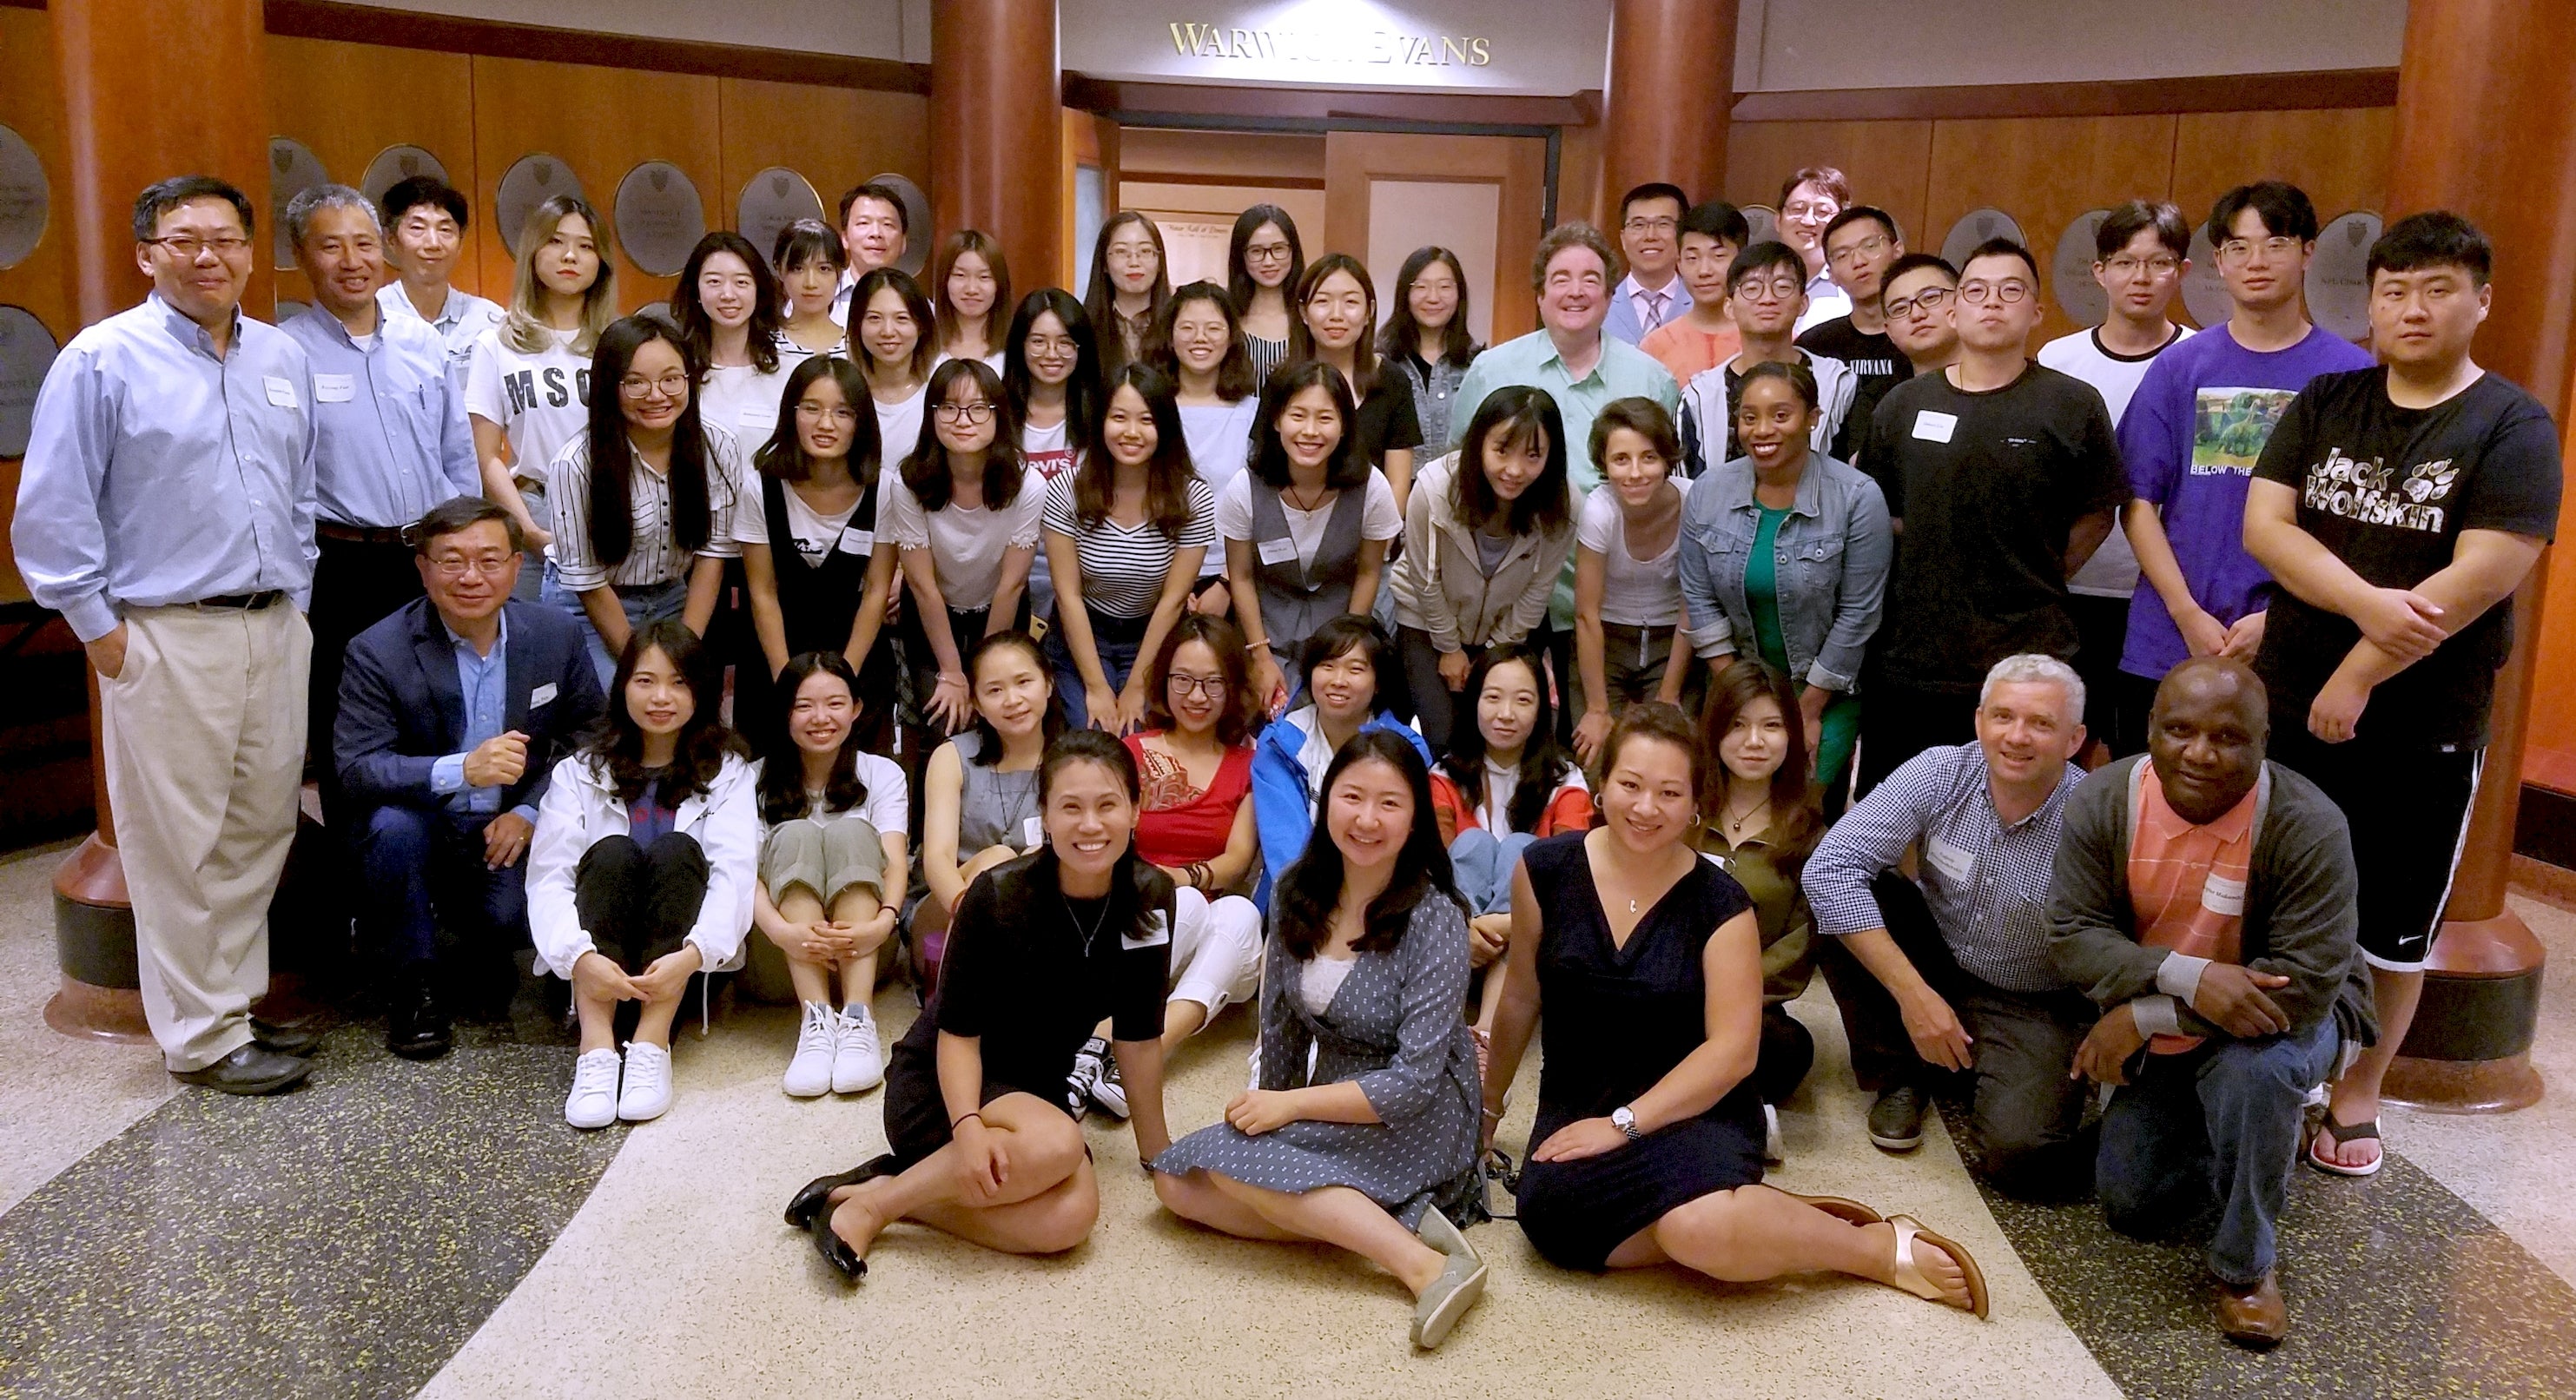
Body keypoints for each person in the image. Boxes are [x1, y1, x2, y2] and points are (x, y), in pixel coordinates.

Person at [1484, 703, 1990, 1316]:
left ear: (1697, 799)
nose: (1646, 808)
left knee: (1696, 1232)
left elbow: (1733, 1052)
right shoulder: (1545, 871)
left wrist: (1622, 1126)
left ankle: (1875, 1247)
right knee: (1550, 1224)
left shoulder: (1722, 904)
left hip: (1695, 1110)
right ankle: (1768, 1222)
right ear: (1601, 785)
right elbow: (1520, 996)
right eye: (1631, 785)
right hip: (1580, 1099)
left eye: (1670, 792)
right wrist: (1488, 1108)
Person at [2244, 211, 2561, 1179]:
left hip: (2422, 720)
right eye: (2392, 290)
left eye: (2434, 289)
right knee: (2271, 894)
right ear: (2370, 301)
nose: (2411, 308)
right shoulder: (2327, 398)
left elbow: (2484, 572)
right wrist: (2360, 608)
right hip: (2288, 698)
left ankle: (2359, 1089)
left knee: (2392, 923)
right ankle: (2268, 1061)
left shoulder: (2510, 422)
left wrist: (2359, 668)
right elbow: (2267, 525)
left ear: (2479, 300)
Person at [14, 175, 316, 1092]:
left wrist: (295, 596)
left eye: (226, 239)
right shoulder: (104, 360)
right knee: (175, 841)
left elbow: (297, 485)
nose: (208, 256)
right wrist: (104, 635)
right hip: (163, 633)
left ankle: (234, 1009)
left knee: (261, 826)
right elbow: (54, 511)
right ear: (147, 253)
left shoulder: (277, 355)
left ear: (250, 252)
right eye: (184, 240)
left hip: (272, 625)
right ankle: (203, 1037)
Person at [2047, 657, 2373, 1345]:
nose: (2198, 753)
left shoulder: (2310, 824)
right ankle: (2251, 1134)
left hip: (2287, 1018)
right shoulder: (2105, 800)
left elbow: (2306, 987)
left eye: (2227, 737)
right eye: (2178, 730)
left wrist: (2144, 1014)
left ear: (2262, 742)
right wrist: (2188, 978)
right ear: (2150, 729)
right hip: (2187, 1005)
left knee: (2253, 1074)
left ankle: (2247, 1268)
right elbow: (2074, 937)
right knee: (2130, 1205)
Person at [787, 730, 1175, 1282]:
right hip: (940, 1087)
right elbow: (958, 1034)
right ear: (1044, 815)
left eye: (1108, 805)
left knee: (1070, 1220)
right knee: (1058, 1143)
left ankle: (889, 1189)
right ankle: (872, 1210)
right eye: (1071, 807)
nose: (1091, 825)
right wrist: (968, 1129)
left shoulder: (1151, 897)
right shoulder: (997, 895)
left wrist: (1157, 1154)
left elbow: (1137, 1035)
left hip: (1034, 1090)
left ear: (1136, 810)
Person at [1153, 731, 1489, 1350]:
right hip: (1334, 1096)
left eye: (1389, 804)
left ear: (1415, 817)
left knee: (1243, 1176)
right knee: (1178, 1184)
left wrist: (1291, 1110)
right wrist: (1270, 1116)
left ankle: (1424, 1266)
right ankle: (1394, 1215)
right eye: (1352, 797)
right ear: (1327, 800)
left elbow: (1415, 1082)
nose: (1366, 819)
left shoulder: (1437, 915)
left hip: (1423, 1110)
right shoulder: (1292, 894)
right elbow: (1278, 1029)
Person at [1801, 655, 2096, 1190]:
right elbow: (1830, 865)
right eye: (2003, 717)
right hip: (1936, 957)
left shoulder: (2094, 814)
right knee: (1842, 898)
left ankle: (1979, 1064)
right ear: (1980, 720)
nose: (2017, 737)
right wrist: (1913, 994)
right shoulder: (1942, 770)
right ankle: (1902, 1075)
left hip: (2032, 996)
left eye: (2041, 724)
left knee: (2020, 1155)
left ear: (2074, 739)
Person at [336, 498, 604, 1060]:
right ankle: (417, 988)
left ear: (515, 564)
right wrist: (463, 769)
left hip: (507, 825)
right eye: (452, 561)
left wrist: (531, 810)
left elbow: (591, 735)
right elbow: (358, 768)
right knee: (390, 828)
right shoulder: (377, 650)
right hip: (425, 824)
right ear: (423, 568)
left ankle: (484, 947)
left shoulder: (554, 634)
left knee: (505, 922)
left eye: (488, 560)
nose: (471, 577)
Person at [1857, 239, 2125, 790]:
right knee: (1893, 826)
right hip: (1915, 658)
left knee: (2023, 819)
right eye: (1976, 291)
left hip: (2029, 658)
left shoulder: (2072, 403)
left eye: (2011, 291)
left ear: (2036, 311)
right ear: (1955, 309)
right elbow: (1884, 513)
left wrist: (2040, 569)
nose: (1992, 303)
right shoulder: (1902, 407)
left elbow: (2100, 512)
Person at [2120, 183, 2375, 756]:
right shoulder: (2180, 365)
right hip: (2171, 635)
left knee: (2273, 828)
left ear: (2308, 251)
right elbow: (2138, 502)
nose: (2255, 262)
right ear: (2218, 261)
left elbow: (2358, 524)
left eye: (2275, 244)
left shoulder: (2352, 375)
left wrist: (2280, 618)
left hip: (2298, 639)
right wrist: (2185, 612)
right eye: (2238, 248)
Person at [280, 185, 478, 803]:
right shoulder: (285, 353)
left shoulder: (424, 344)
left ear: (381, 250)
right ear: (301, 256)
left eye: (363, 243)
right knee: (348, 723)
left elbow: (458, 456)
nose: (351, 260)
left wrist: (466, 544)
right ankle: (357, 873)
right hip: (341, 564)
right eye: (330, 246)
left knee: (444, 706)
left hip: (425, 557)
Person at [526, 620, 758, 1127]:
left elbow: (734, 877)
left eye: (679, 682)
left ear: (702, 692)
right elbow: (548, 878)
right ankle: (596, 1050)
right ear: (623, 685)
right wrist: (579, 956)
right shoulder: (579, 771)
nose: (662, 697)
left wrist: (693, 955)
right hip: (591, 969)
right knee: (611, 852)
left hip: (679, 970)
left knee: (678, 849)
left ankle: (652, 1043)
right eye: (646, 680)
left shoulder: (729, 771)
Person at [1451, 224, 1681, 698]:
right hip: (1509, 594)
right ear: (1539, 294)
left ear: (1610, 294)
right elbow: (1459, 472)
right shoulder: (1493, 370)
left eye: (1590, 279)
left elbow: (1668, 485)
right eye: (1560, 278)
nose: (1576, 291)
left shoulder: (1651, 377)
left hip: (1610, 604)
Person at [2035, 199, 2201, 756]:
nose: (2142, 278)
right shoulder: (2058, 359)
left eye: (2158, 263)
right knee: (2060, 751)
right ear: (2100, 271)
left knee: (2143, 754)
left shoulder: (2200, 359)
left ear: (2182, 272)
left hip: (2161, 596)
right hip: (2070, 590)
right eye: (2126, 262)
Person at [1681, 361, 1890, 802]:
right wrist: (1741, 696)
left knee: (1797, 813)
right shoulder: (1707, 492)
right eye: (1749, 416)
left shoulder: (1856, 496)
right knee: (1729, 806)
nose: (1762, 430)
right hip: (1734, 686)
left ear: (1812, 418)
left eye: (1781, 415)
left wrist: (1804, 711)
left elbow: (1859, 614)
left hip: (1824, 692)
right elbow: (1699, 600)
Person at [545, 315, 746, 685]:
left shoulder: (718, 446)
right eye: (636, 383)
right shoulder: (575, 464)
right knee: (622, 707)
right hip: (590, 606)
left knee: (686, 702)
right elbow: (588, 582)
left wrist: (683, 653)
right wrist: (644, 669)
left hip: (673, 596)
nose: (657, 395)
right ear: (609, 386)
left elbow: (712, 555)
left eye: (671, 379)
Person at [751, 651, 908, 1098]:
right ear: (784, 713)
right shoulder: (750, 779)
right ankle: (816, 1019)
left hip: (866, 949)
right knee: (796, 832)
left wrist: (883, 922)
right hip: (779, 953)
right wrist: (784, 932)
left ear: (857, 709)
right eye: (804, 705)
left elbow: (895, 859)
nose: (821, 718)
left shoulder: (883, 774)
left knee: (850, 831)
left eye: (835, 704)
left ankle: (858, 1018)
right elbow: (743, 876)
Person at [1390, 385, 1576, 751]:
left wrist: (1492, 655)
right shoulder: (1433, 488)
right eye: (1502, 451)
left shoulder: (1563, 506)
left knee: (1506, 736)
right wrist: (1449, 648)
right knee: (1444, 737)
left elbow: (1538, 592)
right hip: (1426, 622)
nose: (1514, 470)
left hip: (1506, 628)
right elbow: (1424, 579)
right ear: (1478, 443)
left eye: (1533, 456)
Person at [1694, 662, 1828, 1152]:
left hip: (1752, 1008)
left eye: (1771, 726)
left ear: (1792, 735)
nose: (1754, 741)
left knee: (1788, 1049)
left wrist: (1731, 995)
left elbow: (1801, 940)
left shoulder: (1809, 829)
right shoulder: (1683, 806)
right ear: (1715, 731)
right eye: (1738, 725)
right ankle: (1735, 1119)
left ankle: (1695, 1111)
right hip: (1665, 988)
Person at [1219, 360, 1404, 712]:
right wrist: (1259, 656)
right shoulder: (1246, 487)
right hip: (1263, 631)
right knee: (1263, 722)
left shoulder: (1372, 487)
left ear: (1345, 426)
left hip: (1340, 629)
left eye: (1325, 418)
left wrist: (1346, 650)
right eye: (1298, 415)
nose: (1310, 431)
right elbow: (1240, 575)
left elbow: (1369, 572)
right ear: (1276, 421)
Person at [736, 355, 898, 753]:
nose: (826, 424)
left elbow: (877, 590)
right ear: (791, 414)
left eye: (842, 412)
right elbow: (763, 592)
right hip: (775, 655)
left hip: (856, 652)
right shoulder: (760, 487)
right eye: (812, 408)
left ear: (860, 423)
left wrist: (844, 688)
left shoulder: (887, 489)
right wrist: (789, 689)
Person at [1123, 615, 1268, 1057]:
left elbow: (1238, 859)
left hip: (1217, 940)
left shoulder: (1249, 764)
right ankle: (1129, 1047)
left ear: (1233, 689)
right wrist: (1161, 885)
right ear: (1163, 681)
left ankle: (1142, 1051)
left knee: (1241, 912)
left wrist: (1177, 877)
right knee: (1180, 904)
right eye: (1183, 680)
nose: (1197, 697)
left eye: (1213, 683)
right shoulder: (1130, 752)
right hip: (1134, 923)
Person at [1044, 363, 1215, 731]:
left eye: (1146, 420)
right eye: (1119, 418)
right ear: (1100, 422)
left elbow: (1173, 600)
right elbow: (1067, 594)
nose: (1131, 433)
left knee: (1137, 733)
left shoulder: (1193, 498)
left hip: (1154, 633)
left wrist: (1139, 685)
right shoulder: (1066, 490)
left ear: (1165, 427)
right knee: (1095, 732)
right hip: (1084, 633)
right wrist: (1096, 686)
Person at [1432, 644, 1591, 1039]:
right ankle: (1438, 1022)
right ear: (1473, 703)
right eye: (1492, 698)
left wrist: (1498, 925)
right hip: (1456, 942)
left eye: (1523, 700)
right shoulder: (1443, 775)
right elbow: (1430, 870)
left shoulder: (1565, 779)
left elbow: (1573, 879)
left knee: (1524, 849)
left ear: (1541, 709)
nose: (1506, 714)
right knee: (1473, 845)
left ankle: (1487, 1031)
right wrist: (1464, 927)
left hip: (1533, 943)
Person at [465, 194, 618, 601]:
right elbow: (484, 457)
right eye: (556, 241)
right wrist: (527, 530)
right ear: (533, 251)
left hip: (611, 509)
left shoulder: (619, 343)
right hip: (531, 506)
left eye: (586, 246)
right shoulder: (495, 344)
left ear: (601, 261)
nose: (570, 256)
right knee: (539, 650)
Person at [882, 359, 1044, 735]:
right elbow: (922, 585)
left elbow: (1012, 585)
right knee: (945, 720)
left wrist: (981, 673)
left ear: (998, 416)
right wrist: (954, 673)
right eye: (949, 408)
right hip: (932, 613)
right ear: (932, 415)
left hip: (1002, 610)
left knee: (998, 717)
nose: (962, 420)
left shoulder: (1027, 484)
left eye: (977, 408)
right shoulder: (908, 482)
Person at [1249, 617, 1435, 906]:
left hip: (1385, 899)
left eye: (1356, 669)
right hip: (1298, 899)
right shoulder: (1278, 744)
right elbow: (1285, 845)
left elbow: (1407, 841)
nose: (1338, 680)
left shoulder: (1407, 751)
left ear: (1378, 683)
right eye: (1327, 666)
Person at [1574, 399, 1696, 762]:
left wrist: (1670, 694)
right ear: (1604, 464)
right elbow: (1586, 614)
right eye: (1621, 460)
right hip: (1606, 641)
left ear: (1667, 460)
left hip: (1672, 641)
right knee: (1598, 758)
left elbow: (1693, 605)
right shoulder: (1600, 510)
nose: (1635, 473)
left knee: (1672, 753)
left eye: (1649, 457)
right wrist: (1597, 710)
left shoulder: (1693, 501)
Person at [1676, 240, 1859, 474]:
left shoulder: (1838, 383)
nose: (1767, 299)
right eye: (1752, 288)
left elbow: (1850, 477)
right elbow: (1686, 486)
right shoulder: (1699, 395)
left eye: (1782, 286)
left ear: (1804, 303)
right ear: (1729, 307)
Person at [918, 631, 1060, 931]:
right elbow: (938, 859)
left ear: (1048, 683)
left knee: (1039, 861)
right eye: (995, 690)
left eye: (1024, 682)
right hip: (951, 913)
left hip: (1044, 920)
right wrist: (967, 914)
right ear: (977, 704)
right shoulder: (951, 756)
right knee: (997, 860)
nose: (1013, 700)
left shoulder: (1074, 760)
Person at [1159, 281, 1260, 615]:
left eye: (1213, 328)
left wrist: (1229, 583)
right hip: (1155, 576)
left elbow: (1265, 506)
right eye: (1187, 328)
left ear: (1231, 337)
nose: (1200, 338)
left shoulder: (1253, 413)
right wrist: (1169, 585)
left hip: (1232, 575)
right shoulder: (1150, 410)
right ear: (1170, 336)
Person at [1292, 253, 1423, 508]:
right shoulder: (1283, 380)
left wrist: (1378, 544)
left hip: (1372, 531)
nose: (1336, 315)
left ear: (1369, 312)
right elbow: (1266, 473)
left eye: (1350, 302)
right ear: (1303, 312)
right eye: (1322, 301)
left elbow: (1398, 484)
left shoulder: (1393, 381)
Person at [1006, 287, 1105, 619]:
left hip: (1087, 579)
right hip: (1006, 576)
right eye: (1038, 341)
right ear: (1020, 345)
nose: (1052, 353)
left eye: (1065, 342)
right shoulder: (996, 414)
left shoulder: (1103, 417)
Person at [1797, 206, 1913, 459]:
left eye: (1870, 246)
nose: (1858, 262)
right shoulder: (1814, 345)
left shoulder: (1921, 335)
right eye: (1842, 255)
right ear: (1832, 275)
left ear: (1898, 251)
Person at [376, 175, 505, 382]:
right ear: (391, 240)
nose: (433, 243)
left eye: (445, 230)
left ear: (460, 243)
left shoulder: (489, 321)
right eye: (417, 228)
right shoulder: (372, 317)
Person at [671, 230, 792, 451]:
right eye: (714, 281)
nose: (728, 294)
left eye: (741, 282)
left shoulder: (786, 368)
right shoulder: (677, 369)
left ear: (758, 290)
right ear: (696, 290)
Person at [1380, 247, 1481, 458]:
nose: (1433, 298)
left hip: (1458, 486)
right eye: (1421, 287)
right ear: (1405, 294)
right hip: (1397, 486)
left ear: (1459, 294)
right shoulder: (1382, 363)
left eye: (1445, 287)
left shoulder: (1478, 365)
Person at [1638, 200, 1748, 386]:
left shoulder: (1768, 337)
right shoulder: (1655, 346)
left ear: (1742, 259)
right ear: (1679, 263)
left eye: (1718, 256)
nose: (1704, 270)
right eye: (1692, 258)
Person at [852, 267, 935, 472]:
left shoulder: (939, 392)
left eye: (902, 318)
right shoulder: (843, 392)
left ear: (921, 325)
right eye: (874, 318)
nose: (888, 331)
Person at [1606, 182, 1693, 345]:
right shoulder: (1600, 305)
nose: (1650, 236)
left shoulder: (1702, 305)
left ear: (1682, 235)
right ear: (1623, 239)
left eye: (1663, 224)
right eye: (1638, 225)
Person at [1227, 204, 1305, 386]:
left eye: (1278, 249)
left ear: (1293, 251)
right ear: (1241, 256)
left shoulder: (1310, 313)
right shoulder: (1226, 314)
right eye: (1256, 251)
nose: (1268, 261)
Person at [1086, 210, 1171, 377]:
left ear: (1159, 262)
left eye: (1145, 251)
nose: (1134, 262)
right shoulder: (1085, 327)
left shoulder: (1176, 325)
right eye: (1121, 252)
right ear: (1104, 264)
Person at [1776, 167, 1853, 332]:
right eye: (1798, 209)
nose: (1808, 221)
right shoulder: (1752, 282)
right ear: (1778, 220)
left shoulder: (1853, 284)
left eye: (1822, 212)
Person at [827, 181, 908, 324]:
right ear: (845, 238)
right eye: (864, 223)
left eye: (887, 224)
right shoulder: (819, 298)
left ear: (903, 241)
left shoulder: (921, 307)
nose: (876, 233)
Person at [932, 229, 1010, 369]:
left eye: (984, 277)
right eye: (960, 275)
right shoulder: (923, 342)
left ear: (1000, 283)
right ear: (945, 280)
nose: (972, 289)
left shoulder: (1015, 345)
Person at [772, 219, 850, 359]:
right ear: (779, 270)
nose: (810, 283)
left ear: (840, 272)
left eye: (824, 269)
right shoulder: (766, 346)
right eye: (798, 268)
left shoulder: (857, 347)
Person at [1880, 253, 1962, 379]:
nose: (1917, 315)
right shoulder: (1889, 397)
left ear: (1962, 300)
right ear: (1889, 331)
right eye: (1900, 308)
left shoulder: (2001, 384)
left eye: (1930, 298)